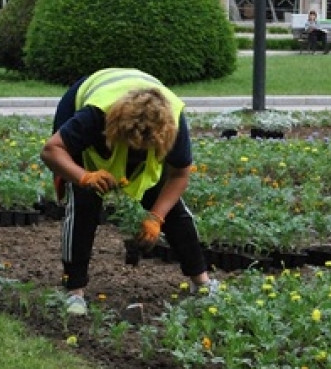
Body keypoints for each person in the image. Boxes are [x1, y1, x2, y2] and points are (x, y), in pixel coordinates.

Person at [40, 68, 219, 317]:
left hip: (142, 126)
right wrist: (84, 177)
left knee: (168, 204)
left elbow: (179, 175)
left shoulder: (173, 125)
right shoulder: (93, 117)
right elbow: (51, 151)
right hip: (86, 105)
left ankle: (202, 283)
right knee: (84, 203)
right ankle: (74, 291)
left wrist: (156, 217)